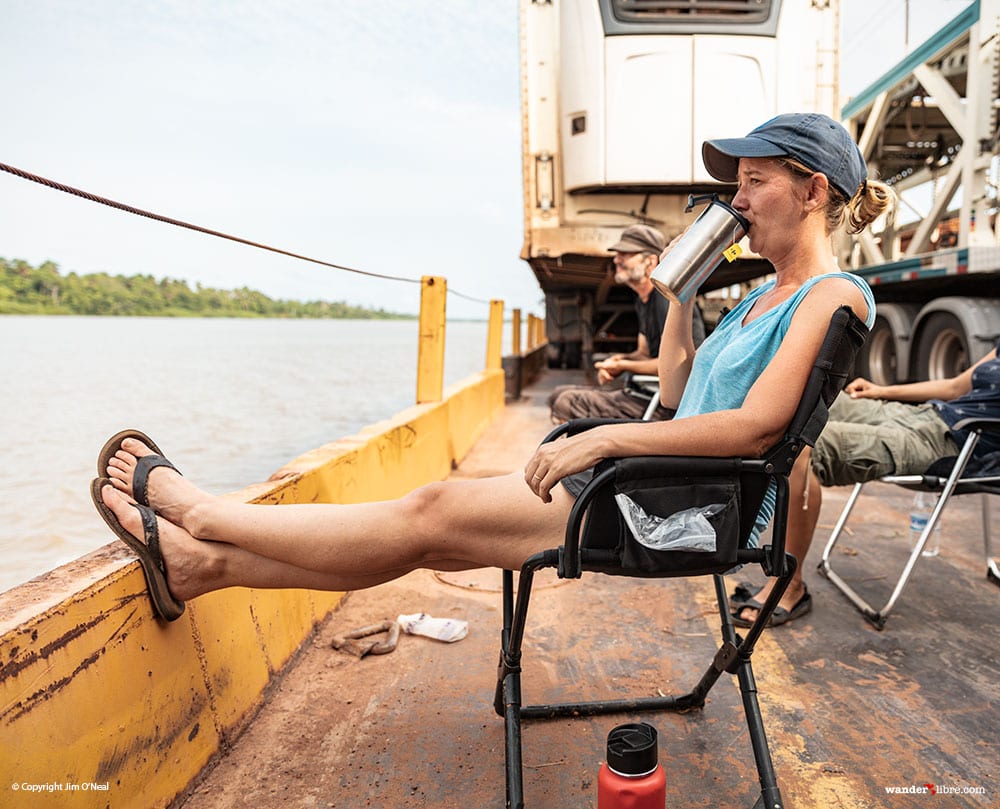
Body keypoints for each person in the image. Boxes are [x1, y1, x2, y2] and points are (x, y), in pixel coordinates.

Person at [90, 112, 894, 624]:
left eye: (753, 182)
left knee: (431, 510)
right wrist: (682, 294)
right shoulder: (762, 296)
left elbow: (760, 429)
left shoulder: (832, 295)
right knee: (432, 539)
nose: (739, 200)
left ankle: (203, 516)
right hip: (666, 480)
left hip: (686, 507)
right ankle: (203, 566)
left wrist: (602, 443)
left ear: (814, 191)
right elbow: (680, 398)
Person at [731, 339, 1000, 627]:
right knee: (802, 400)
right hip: (925, 414)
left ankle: (789, 584)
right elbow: (954, 388)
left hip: (952, 444)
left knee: (797, 447)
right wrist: (880, 391)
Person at [547, 224, 706, 422]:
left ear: (650, 261)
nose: (616, 260)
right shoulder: (643, 300)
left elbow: (680, 365)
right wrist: (617, 360)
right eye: (618, 254)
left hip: (668, 405)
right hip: (648, 392)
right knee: (558, 394)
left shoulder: (665, 300)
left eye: (626, 254)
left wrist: (624, 366)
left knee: (566, 402)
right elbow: (643, 353)